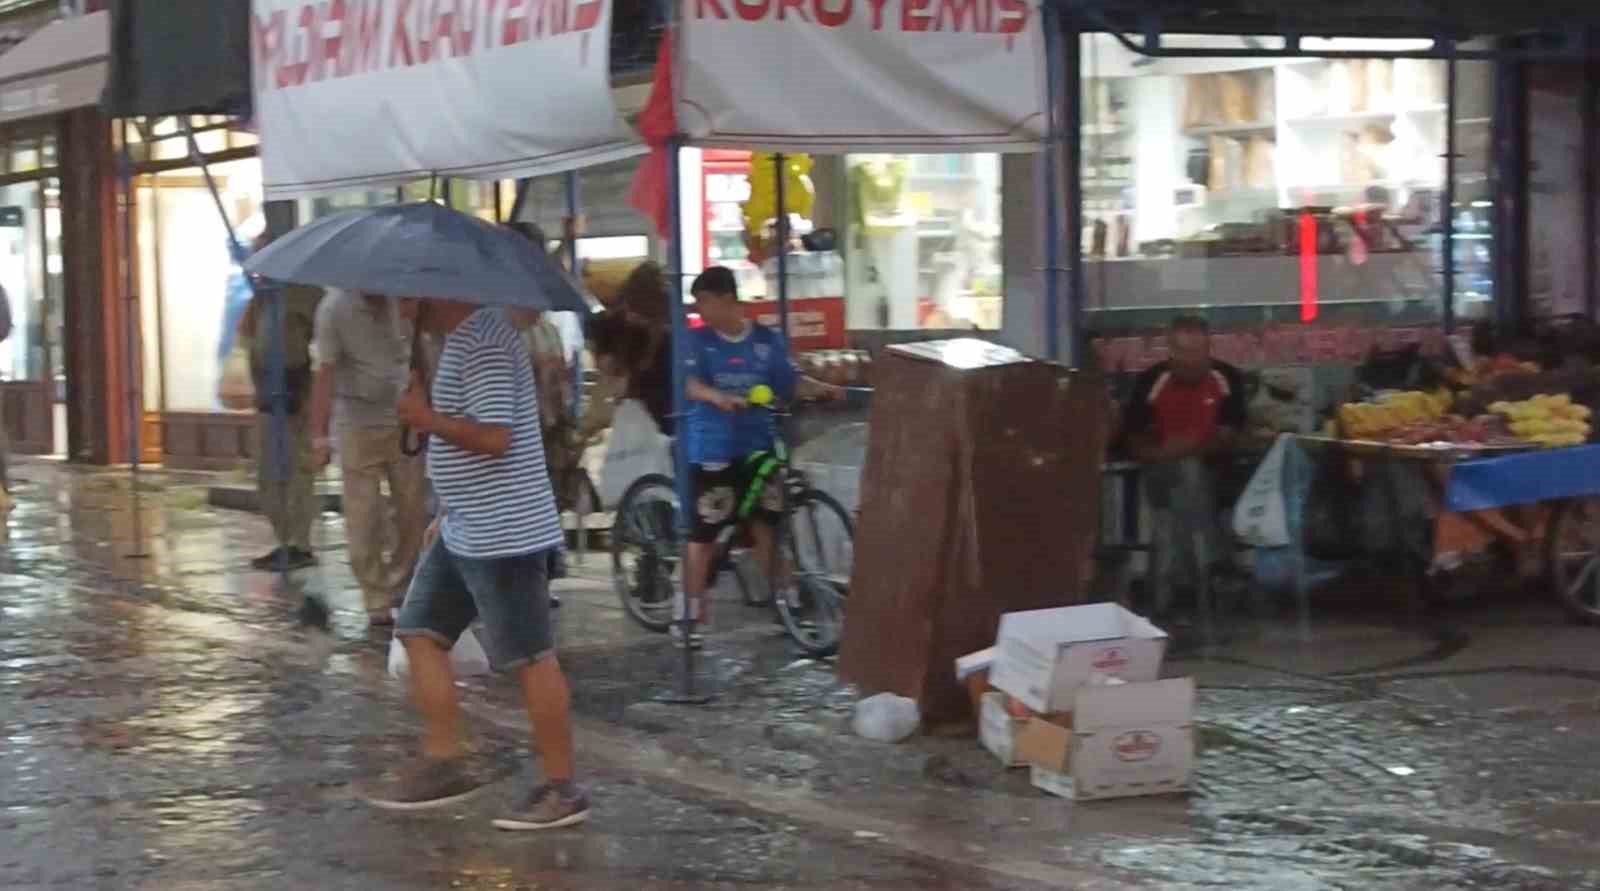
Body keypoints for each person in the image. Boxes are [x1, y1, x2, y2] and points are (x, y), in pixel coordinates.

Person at [361, 297, 587, 830]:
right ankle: (446, 760)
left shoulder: (482, 342)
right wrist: (446, 507)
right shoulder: (457, 343)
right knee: (419, 632)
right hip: (465, 527)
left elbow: (495, 437)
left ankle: (562, 787)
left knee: (530, 657)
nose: (397, 303)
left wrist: (425, 418)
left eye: (406, 292)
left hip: (505, 532)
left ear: (436, 291)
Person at [678, 266, 840, 649]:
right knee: (704, 534)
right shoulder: (697, 341)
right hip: (714, 447)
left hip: (759, 445)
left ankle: (787, 601)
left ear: (726, 299)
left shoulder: (767, 340)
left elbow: (789, 382)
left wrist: (824, 388)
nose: (700, 310)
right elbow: (690, 385)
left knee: (768, 526)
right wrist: (717, 397)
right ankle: (689, 613)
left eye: (704, 302)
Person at [307, 289, 428, 627]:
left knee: (412, 509)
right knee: (363, 514)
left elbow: (419, 352)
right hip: (356, 422)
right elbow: (325, 373)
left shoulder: (403, 298)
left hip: (404, 419)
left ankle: (400, 583)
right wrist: (319, 436)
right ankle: (375, 596)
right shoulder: (334, 308)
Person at [1122, 315, 1247, 615]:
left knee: (1188, 479)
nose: (1190, 361)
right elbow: (1133, 440)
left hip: (1215, 473)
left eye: (1196, 352)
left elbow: (1229, 437)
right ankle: (1210, 564)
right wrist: (1164, 453)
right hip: (1161, 470)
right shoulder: (1152, 381)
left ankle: (1177, 587)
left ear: (1208, 349)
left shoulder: (1226, 378)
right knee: (1186, 475)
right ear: (1170, 351)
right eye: (1182, 352)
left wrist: (1185, 447)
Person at [239, 263, 324, 572]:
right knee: (268, 474)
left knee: (298, 470)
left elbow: (321, 345)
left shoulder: (306, 292)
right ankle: (283, 538)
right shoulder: (262, 296)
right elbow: (248, 336)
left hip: (295, 391)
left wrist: (311, 395)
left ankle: (299, 543)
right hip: (266, 392)